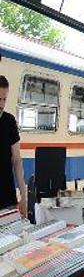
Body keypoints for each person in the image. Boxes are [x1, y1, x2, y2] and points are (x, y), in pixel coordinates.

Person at [0, 76, 27, 218]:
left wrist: (23, 195)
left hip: (7, 198)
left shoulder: (9, 121)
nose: (2, 105)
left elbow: (17, 160)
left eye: (4, 99)